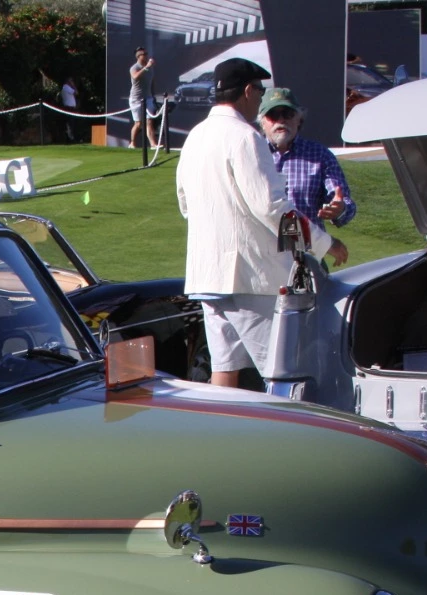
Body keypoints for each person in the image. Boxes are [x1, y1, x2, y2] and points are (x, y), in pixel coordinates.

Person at [174, 58, 339, 388]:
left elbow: (185, 205)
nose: (261, 99)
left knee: (224, 368)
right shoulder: (245, 137)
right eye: (260, 92)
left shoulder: (194, 137)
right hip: (248, 276)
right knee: (280, 372)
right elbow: (273, 207)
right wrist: (325, 243)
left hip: (206, 275)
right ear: (248, 91)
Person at [258, 87, 356, 238]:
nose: (281, 120)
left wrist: (339, 209)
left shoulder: (320, 155)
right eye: (273, 115)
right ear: (262, 122)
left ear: (299, 119)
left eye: (287, 114)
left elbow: (344, 202)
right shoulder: (253, 153)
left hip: (308, 249)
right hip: (264, 252)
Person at [128, 47, 159, 149]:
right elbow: (135, 76)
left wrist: (153, 96)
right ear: (138, 56)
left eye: (146, 54)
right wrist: (146, 67)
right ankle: (132, 143)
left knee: (149, 120)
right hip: (136, 99)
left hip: (148, 98)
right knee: (138, 123)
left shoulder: (150, 69)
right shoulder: (134, 67)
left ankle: (153, 144)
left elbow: (152, 83)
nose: (146, 56)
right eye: (144, 54)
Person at [60, 76, 81, 144]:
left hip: (71, 108)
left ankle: (72, 138)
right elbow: (76, 93)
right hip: (69, 108)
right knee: (70, 124)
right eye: (71, 81)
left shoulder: (66, 88)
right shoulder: (66, 87)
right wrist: (73, 85)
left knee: (72, 124)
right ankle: (70, 139)